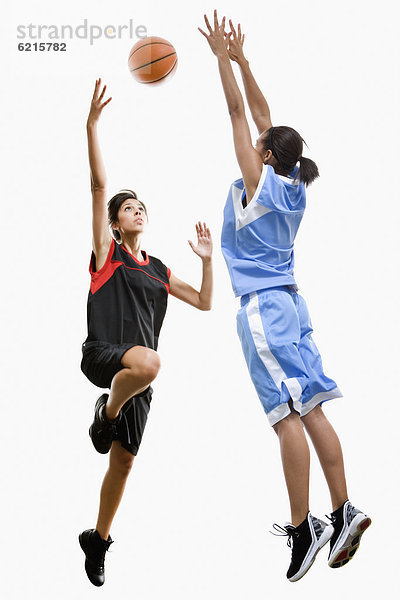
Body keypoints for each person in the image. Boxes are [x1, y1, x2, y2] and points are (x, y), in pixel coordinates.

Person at [199, 11, 370, 583]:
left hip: (265, 309)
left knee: (284, 417)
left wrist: (223, 61)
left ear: (267, 156)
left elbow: (239, 113)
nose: (252, 142)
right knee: (312, 403)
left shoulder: (258, 184)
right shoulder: (293, 187)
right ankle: (343, 508)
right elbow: (265, 118)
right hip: (293, 305)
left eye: (259, 145)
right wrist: (246, 60)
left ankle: (305, 528)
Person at [79, 78, 213, 587]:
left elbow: (203, 303)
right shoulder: (106, 254)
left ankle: (98, 539)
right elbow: (97, 185)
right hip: (105, 356)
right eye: (128, 207)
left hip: (135, 380)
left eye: (141, 206)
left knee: (123, 465)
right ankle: (104, 412)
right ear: (114, 225)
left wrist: (206, 263)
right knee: (151, 364)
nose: (138, 209)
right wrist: (92, 126)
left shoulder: (156, 267)